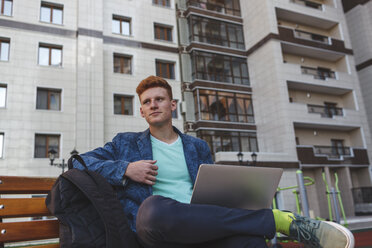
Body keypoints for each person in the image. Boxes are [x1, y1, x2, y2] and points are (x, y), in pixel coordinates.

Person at [75, 76, 354, 248]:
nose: (153, 105)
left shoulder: (198, 147)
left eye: (159, 99)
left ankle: (277, 224)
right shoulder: (124, 143)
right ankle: (282, 221)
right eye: (147, 102)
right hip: (157, 231)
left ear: (173, 105)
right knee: (153, 209)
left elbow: (211, 196)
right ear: (141, 111)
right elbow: (78, 163)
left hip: (202, 228)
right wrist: (125, 168)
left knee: (250, 241)